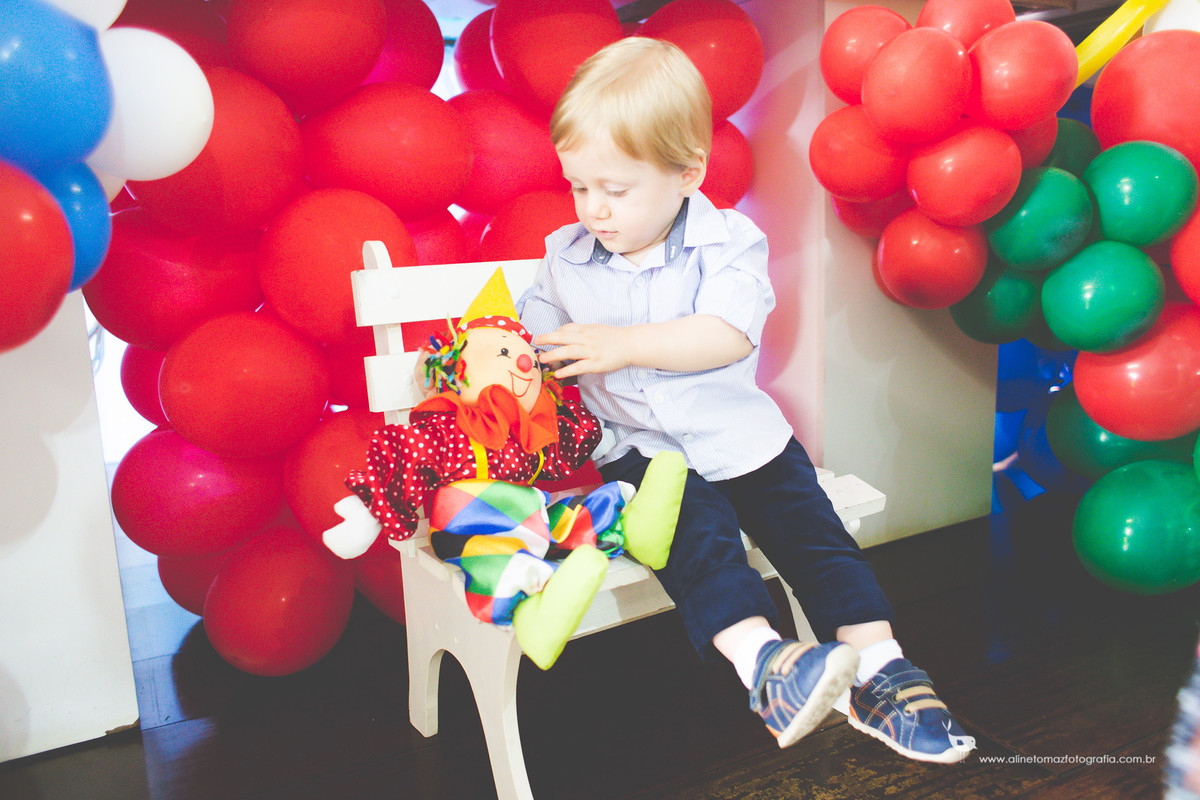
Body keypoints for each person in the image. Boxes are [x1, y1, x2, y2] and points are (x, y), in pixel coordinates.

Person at [516, 36, 976, 762]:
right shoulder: (563, 254)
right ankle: (766, 662)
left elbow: (725, 335)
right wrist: (528, 352)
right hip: (641, 455)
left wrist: (622, 344)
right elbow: (536, 319)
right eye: (580, 186)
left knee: (815, 537)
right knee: (697, 544)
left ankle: (881, 669)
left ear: (688, 172)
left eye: (616, 189)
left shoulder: (729, 242)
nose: (594, 210)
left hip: (742, 437)